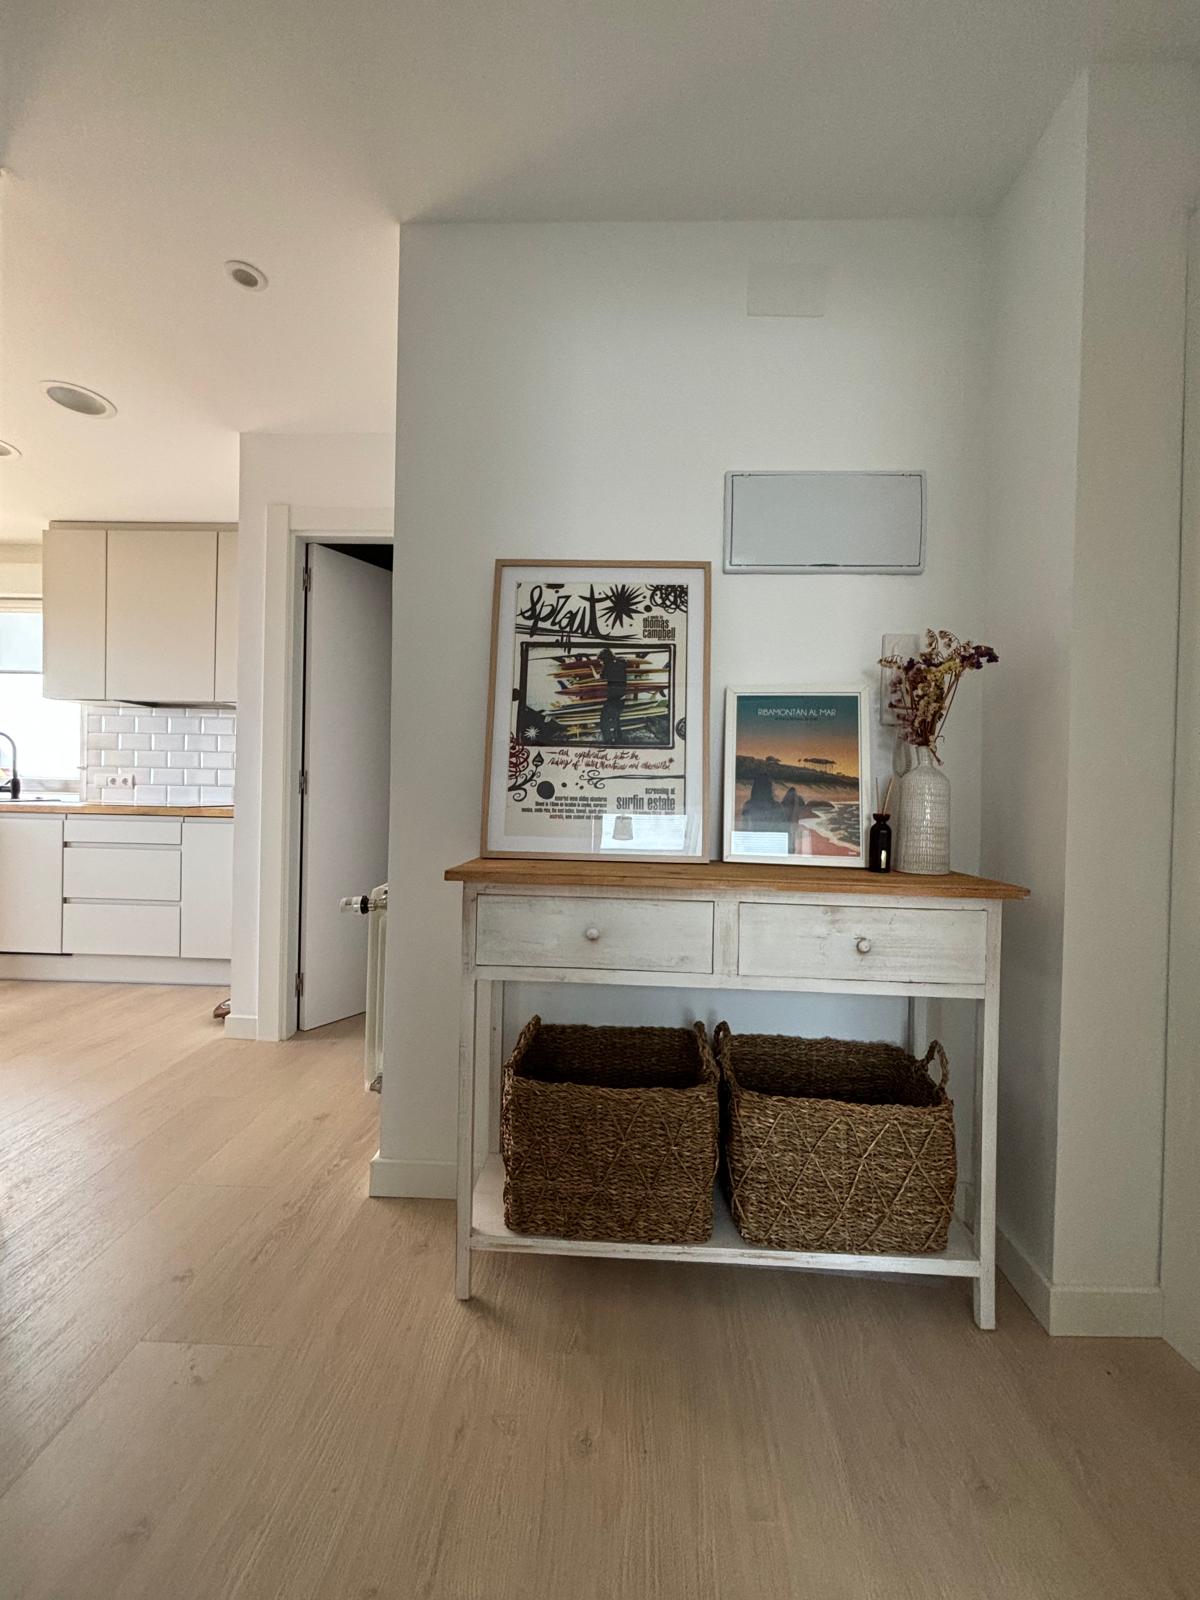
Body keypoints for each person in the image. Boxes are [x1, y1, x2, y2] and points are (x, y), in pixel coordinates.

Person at [597, 647, 628, 744]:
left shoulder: (607, 667)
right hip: (622, 697)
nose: (601, 663)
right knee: (616, 720)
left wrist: (594, 669)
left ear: (605, 659)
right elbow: (624, 660)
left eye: (601, 661)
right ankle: (619, 740)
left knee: (603, 721)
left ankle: (608, 741)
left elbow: (599, 677)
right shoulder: (621, 663)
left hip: (612, 699)